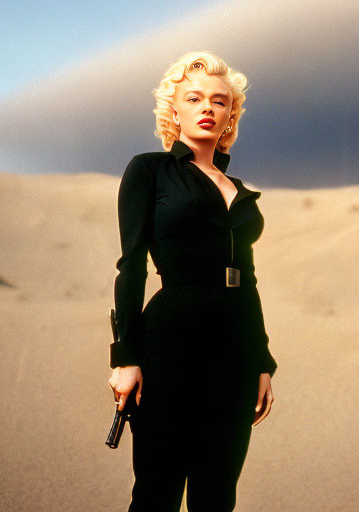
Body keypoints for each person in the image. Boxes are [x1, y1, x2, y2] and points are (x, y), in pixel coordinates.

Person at [108, 51, 277, 512]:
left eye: (220, 101)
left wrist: (262, 359)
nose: (208, 107)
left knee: (217, 497)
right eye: (195, 97)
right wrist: (125, 356)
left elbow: (250, 281)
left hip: (235, 356)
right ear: (174, 109)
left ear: (230, 115)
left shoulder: (239, 189)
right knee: (157, 493)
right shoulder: (150, 170)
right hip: (170, 346)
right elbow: (132, 266)